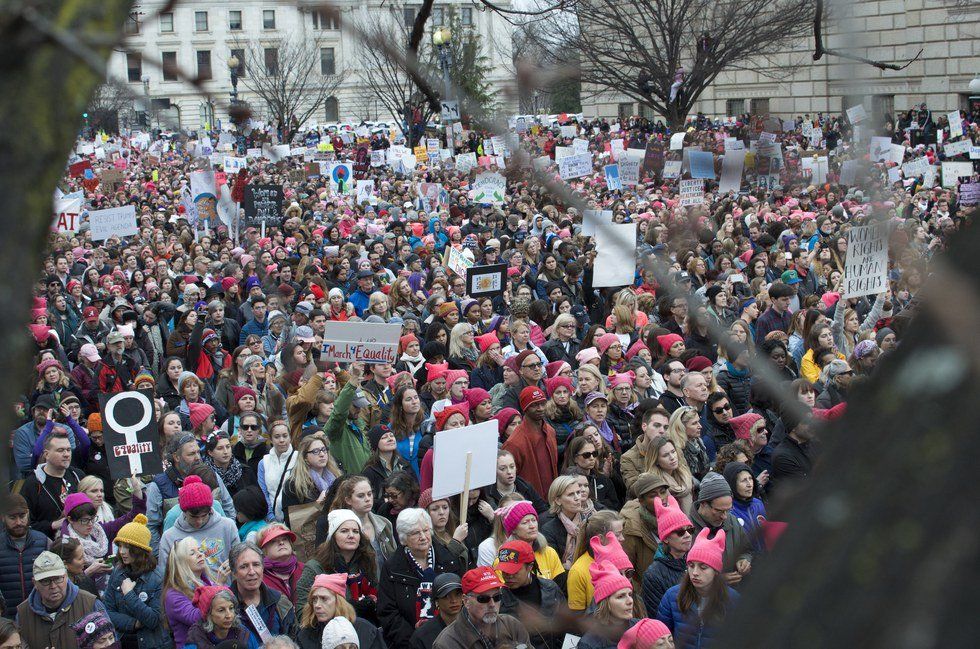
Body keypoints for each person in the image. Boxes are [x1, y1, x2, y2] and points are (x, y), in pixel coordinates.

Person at [377, 508, 465, 647]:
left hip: (451, 640)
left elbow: (463, 598)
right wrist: (415, 641)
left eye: (425, 530)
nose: (423, 537)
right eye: (415, 533)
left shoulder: (449, 560)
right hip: (409, 642)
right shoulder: (392, 568)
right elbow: (388, 612)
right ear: (404, 539)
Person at [147, 433, 236, 550]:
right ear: (176, 457)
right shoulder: (158, 485)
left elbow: (228, 507)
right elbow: (151, 525)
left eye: (198, 452)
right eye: (191, 454)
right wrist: (160, 555)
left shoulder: (210, 475)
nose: (198, 457)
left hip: (214, 549)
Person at [656, 529, 739, 649]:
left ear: (716, 571)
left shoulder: (733, 600)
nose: (695, 573)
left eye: (703, 567)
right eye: (691, 565)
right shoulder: (672, 596)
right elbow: (661, 638)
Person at [297, 508, 379, 620]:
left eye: (355, 531)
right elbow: (302, 613)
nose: (351, 535)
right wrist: (347, 608)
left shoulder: (367, 561)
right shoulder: (315, 568)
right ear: (333, 536)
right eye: (344, 531)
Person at [15, 550, 108, 649]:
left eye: (58, 578)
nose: (53, 586)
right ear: (35, 583)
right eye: (45, 581)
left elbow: (110, 643)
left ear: (66, 576)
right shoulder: (22, 614)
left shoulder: (90, 604)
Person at [102, 513, 168, 648]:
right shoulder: (118, 572)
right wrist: (134, 623)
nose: (122, 552)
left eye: (127, 547)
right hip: (122, 640)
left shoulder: (157, 578)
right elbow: (106, 611)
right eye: (120, 546)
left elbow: (154, 619)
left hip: (150, 643)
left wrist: (129, 595)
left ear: (140, 550)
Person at [159, 475, 239, 578]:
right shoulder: (169, 537)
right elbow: (165, 576)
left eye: (204, 515)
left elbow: (239, 562)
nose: (199, 521)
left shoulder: (227, 526)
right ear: (183, 511)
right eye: (193, 517)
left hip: (227, 592)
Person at [431, 566, 530, 649]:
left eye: (497, 597)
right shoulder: (447, 643)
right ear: (466, 601)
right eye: (483, 599)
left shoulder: (512, 625)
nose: (492, 604)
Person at [497, 539, 567, 649]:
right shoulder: (498, 601)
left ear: (529, 567)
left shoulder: (551, 589)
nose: (508, 576)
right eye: (504, 571)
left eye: (514, 571)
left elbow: (568, 625)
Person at [687, 473, 752, 586]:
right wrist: (715, 580)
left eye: (728, 510)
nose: (725, 517)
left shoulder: (732, 521)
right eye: (719, 511)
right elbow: (681, 574)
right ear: (703, 504)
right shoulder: (685, 530)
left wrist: (744, 560)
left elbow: (746, 550)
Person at [295, 572, 386, 649]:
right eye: (314, 599)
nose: (317, 605)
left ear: (339, 601)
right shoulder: (305, 635)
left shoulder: (365, 630)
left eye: (324, 599)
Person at [227, 541, 296, 639]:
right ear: (234, 572)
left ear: (263, 568)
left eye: (256, 564)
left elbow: (294, 640)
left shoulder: (280, 602)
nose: (252, 572)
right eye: (244, 566)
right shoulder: (223, 605)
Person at [22, 433, 84, 538]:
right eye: (60, 450)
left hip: (81, 542)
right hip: (47, 545)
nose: (66, 454)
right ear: (46, 454)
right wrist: (53, 525)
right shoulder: (33, 483)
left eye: (69, 450)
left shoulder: (77, 475)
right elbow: (26, 525)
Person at [501, 386, 558, 501]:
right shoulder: (514, 443)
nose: (540, 408)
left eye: (542, 403)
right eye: (534, 405)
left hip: (554, 498)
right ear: (525, 408)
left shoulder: (550, 431)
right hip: (530, 503)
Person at [641, 497, 694, 616]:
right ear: (665, 539)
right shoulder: (653, 575)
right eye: (680, 532)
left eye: (690, 530)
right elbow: (657, 618)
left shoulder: (697, 562)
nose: (687, 535)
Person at [0, 493, 48, 617]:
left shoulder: (43, 542)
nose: (18, 522)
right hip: (6, 618)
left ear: (28, 514)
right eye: (12, 518)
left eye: (22, 516)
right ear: (3, 518)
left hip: (39, 614)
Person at [163, 536, 215, 648]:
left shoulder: (209, 583)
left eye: (200, 550)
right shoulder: (173, 595)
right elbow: (197, 618)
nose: (201, 554)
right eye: (192, 553)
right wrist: (217, 593)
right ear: (180, 563)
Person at [576, 560, 638, 649]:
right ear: (605, 603)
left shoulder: (641, 628)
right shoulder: (589, 644)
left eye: (630, 594)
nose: (630, 601)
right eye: (621, 596)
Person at [184, 585, 259, 649]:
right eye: (221, 610)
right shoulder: (197, 637)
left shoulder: (243, 633)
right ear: (208, 614)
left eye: (231, 608)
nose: (229, 615)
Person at [540, 475, 585, 570]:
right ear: (557, 500)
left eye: (578, 492)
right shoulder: (548, 530)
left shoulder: (588, 522)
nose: (577, 498)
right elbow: (552, 566)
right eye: (571, 494)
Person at [258, 420, 298, 522]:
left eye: (285, 436)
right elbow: (263, 492)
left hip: (296, 516)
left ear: (290, 437)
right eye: (277, 437)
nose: (281, 440)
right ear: (271, 439)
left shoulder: (299, 458)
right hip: (272, 518)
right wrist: (271, 517)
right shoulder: (264, 462)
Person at [410, 572, 464, 649]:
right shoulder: (422, 636)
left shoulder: (475, 627)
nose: (454, 600)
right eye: (446, 596)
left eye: (458, 594)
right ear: (436, 601)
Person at [722, 462, 767, 553]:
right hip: (746, 562)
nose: (749, 484)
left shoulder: (758, 504)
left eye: (750, 479)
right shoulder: (728, 511)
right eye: (743, 480)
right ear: (732, 484)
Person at [257, 524, 305, 604]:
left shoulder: (305, 569)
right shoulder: (259, 578)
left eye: (285, 539)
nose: (281, 542)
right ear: (264, 550)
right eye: (273, 541)